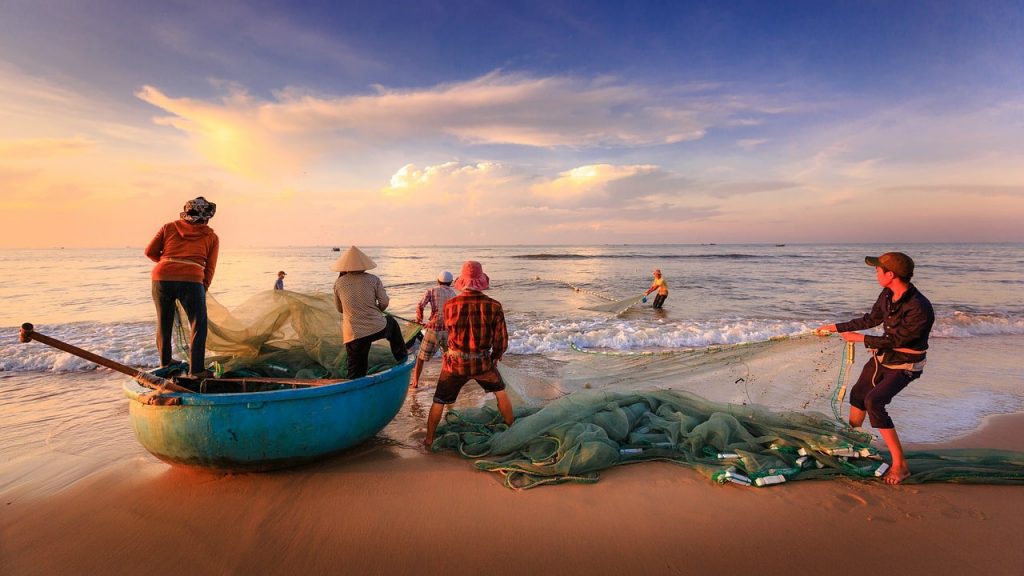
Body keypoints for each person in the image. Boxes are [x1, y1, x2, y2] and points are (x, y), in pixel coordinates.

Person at [816, 252, 934, 485]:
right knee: (858, 395)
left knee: (875, 402)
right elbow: (871, 319)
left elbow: (898, 341)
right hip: (884, 357)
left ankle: (900, 465)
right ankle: (853, 444)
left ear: (891, 275)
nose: (876, 274)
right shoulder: (887, 294)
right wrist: (836, 327)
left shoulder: (919, 307)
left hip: (906, 363)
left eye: (878, 270)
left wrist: (860, 339)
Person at [423, 261, 514, 447]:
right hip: (482, 363)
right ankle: (513, 431)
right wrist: (494, 358)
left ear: (462, 282)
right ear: (481, 281)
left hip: (454, 364)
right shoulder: (494, 306)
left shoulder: (449, 305)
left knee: (439, 400)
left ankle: (429, 440)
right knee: (500, 393)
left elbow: (448, 333)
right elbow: (501, 341)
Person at [144, 196, 220, 377]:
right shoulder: (211, 237)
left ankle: (165, 363)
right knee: (198, 323)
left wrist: (168, 263)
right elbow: (210, 268)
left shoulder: (169, 227)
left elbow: (149, 252)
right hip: (191, 279)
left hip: (161, 277)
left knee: (164, 322)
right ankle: (197, 370)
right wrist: (203, 287)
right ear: (207, 217)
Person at [331, 246, 407, 379]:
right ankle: (402, 358)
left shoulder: (338, 283)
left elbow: (340, 309)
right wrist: (376, 309)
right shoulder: (373, 279)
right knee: (392, 324)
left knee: (355, 371)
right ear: (364, 265)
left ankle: (355, 387)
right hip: (376, 327)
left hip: (353, 333)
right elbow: (384, 303)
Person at [410, 271, 457, 389]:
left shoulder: (431, 291)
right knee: (447, 357)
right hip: (448, 331)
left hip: (433, 329)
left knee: (421, 357)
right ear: (451, 282)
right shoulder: (454, 294)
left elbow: (420, 305)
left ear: (438, 281)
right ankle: (447, 381)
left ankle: (415, 382)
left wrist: (419, 319)